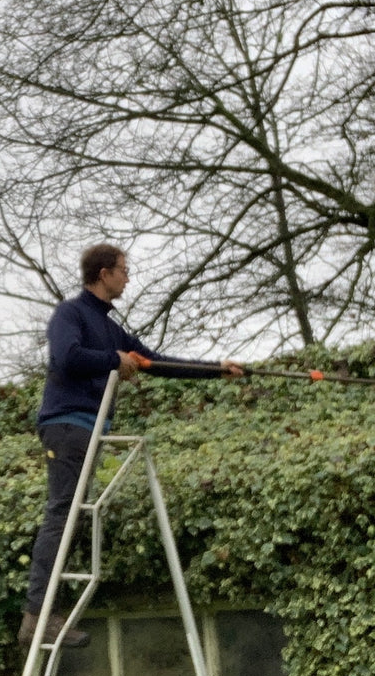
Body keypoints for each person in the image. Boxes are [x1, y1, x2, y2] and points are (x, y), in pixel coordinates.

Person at [19, 243, 243, 647]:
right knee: (63, 514)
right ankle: (37, 617)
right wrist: (113, 359)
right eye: (123, 269)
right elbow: (66, 357)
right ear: (103, 273)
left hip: (89, 428)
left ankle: (44, 612)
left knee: (72, 517)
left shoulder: (109, 326)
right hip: (66, 425)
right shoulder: (70, 314)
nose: (127, 277)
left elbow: (152, 361)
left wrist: (216, 370)